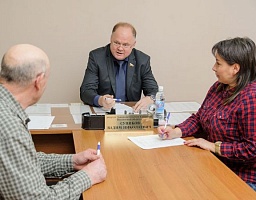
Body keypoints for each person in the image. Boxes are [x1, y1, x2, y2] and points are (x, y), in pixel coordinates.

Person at [0, 44, 107, 199]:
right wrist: (88, 176)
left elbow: (23, 162)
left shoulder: (6, 108)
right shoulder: (10, 128)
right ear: (39, 81)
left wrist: (72, 161)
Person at [158, 37, 256, 191]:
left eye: (218, 63)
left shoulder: (251, 98)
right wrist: (176, 131)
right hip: (213, 164)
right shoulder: (218, 87)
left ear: (235, 68)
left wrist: (213, 146)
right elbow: (199, 118)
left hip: (241, 177)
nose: (214, 68)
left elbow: (252, 149)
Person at [80, 22, 158, 112]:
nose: (120, 48)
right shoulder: (97, 57)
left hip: (131, 114)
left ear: (133, 44)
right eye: (116, 43)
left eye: (125, 45)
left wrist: (150, 98)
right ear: (110, 39)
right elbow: (85, 91)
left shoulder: (142, 60)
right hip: (104, 112)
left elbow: (154, 90)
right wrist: (100, 100)